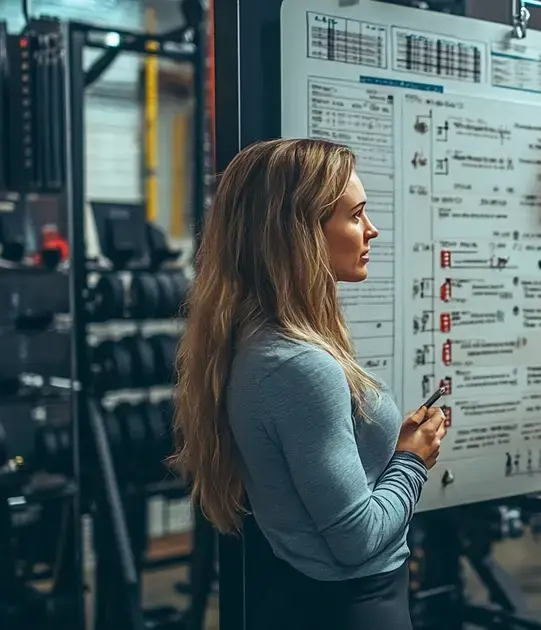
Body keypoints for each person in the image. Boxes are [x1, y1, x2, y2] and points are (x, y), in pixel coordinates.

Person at [169, 138, 446, 630]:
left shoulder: (258, 342)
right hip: (352, 608)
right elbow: (356, 538)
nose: (372, 230)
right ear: (301, 233)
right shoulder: (297, 366)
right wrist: (412, 459)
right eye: (356, 215)